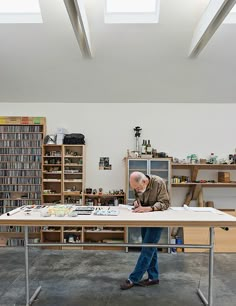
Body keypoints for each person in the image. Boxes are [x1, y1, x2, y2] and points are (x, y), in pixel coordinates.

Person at [120, 171, 170, 290]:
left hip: (157, 217)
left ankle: (133, 278)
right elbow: (138, 199)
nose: (136, 190)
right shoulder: (136, 186)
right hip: (145, 217)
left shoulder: (158, 183)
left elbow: (165, 203)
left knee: (147, 249)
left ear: (144, 181)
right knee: (149, 247)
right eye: (134, 188)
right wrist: (137, 203)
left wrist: (149, 208)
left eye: (137, 188)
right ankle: (153, 277)